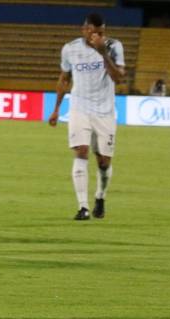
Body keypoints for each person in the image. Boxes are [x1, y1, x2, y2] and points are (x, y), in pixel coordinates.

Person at [47, 13, 125, 221]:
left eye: (100, 32)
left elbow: (118, 78)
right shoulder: (70, 49)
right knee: (81, 151)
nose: (96, 36)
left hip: (105, 111)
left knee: (103, 162)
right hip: (79, 108)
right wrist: (56, 109)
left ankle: (100, 196)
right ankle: (83, 207)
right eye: (92, 32)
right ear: (84, 30)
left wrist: (103, 53)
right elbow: (64, 79)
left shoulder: (114, 47)